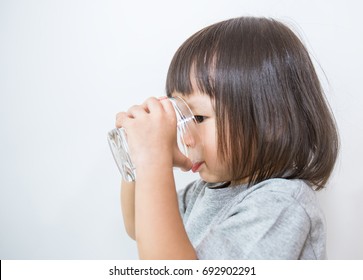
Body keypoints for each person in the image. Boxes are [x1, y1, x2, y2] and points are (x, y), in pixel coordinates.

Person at [115, 16, 339, 259]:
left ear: (272, 120)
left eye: (198, 117)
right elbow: (139, 226)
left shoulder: (281, 204)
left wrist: (153, 158)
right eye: (182, 117)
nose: (185, 136)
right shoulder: (207, 191)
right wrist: (137, 158)